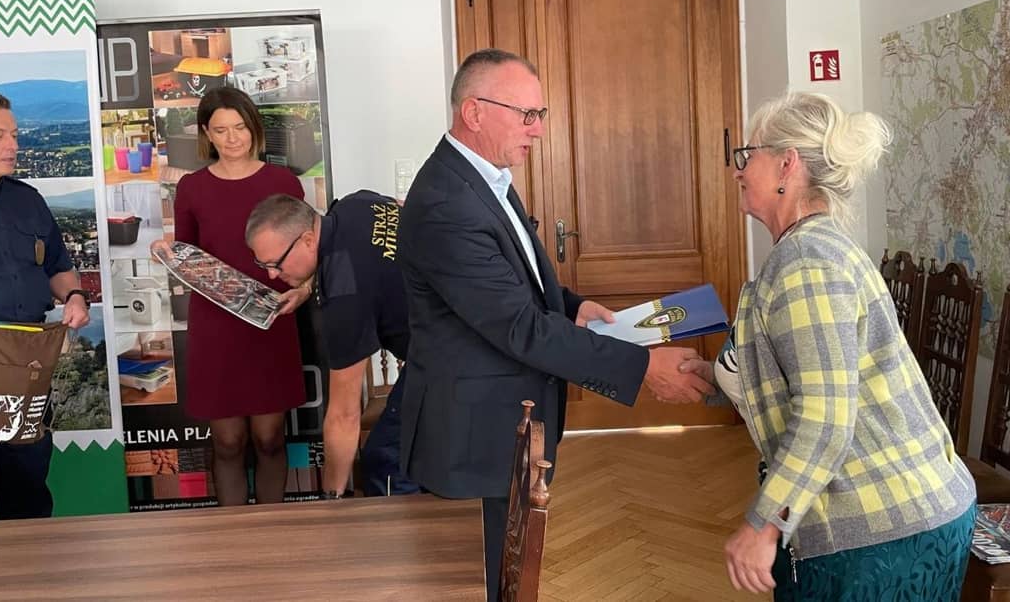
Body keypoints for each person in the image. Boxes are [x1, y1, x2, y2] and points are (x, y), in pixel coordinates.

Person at [398, 48, 715, 601]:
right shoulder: (447, 200)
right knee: (490, 584)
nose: (539, 129)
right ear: (474, 112)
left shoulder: (483, 177)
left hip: (503, 429)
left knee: (513, 577)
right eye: (527, 114)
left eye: (539, 115)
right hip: (476, 440)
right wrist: (642, 367)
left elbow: (508, 285)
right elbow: (519, 327)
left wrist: (570, 306)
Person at [712, 91, 976, 600]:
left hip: (885, 530)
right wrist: (708, 377)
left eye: (748, 155)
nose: (738, 170)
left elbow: (824, 418)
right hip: (904, 515)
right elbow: (795, 373)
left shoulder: (807, 262)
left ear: (786, 164)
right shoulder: (811, 247)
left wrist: (762, 525)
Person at [151, 86, 309, 506]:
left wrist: (304, 289)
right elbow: (187, 256)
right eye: (221, 130)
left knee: (270, 438)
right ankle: (232, 534)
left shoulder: (283, 182)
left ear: (253, 127)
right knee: (227, 442)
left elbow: (311, 251)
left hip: (271, 320)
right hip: (216, 328)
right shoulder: (192, 188)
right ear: (207, 133)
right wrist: (166, 252)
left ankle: (271, 531)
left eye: (239, 127)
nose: (232, 138)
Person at [245, 191, 420, 499]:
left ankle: (415, 530)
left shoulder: (343, 297)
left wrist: (330, 498)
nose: (272, 275)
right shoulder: (356, 204)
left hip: (455, 359)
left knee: (388, 463)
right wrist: (306, 287)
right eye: (263, 265)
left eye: (276, 264)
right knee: (409, 452)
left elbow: (344, 415)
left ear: (307, 240)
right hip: (462, 335)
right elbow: (404, 207)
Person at [0, 88, 91, 521]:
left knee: (29, 493)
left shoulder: (28, 200)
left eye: (15, 135)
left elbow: (58, 266)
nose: (13, 146)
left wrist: (74, 296)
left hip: (27, 366)